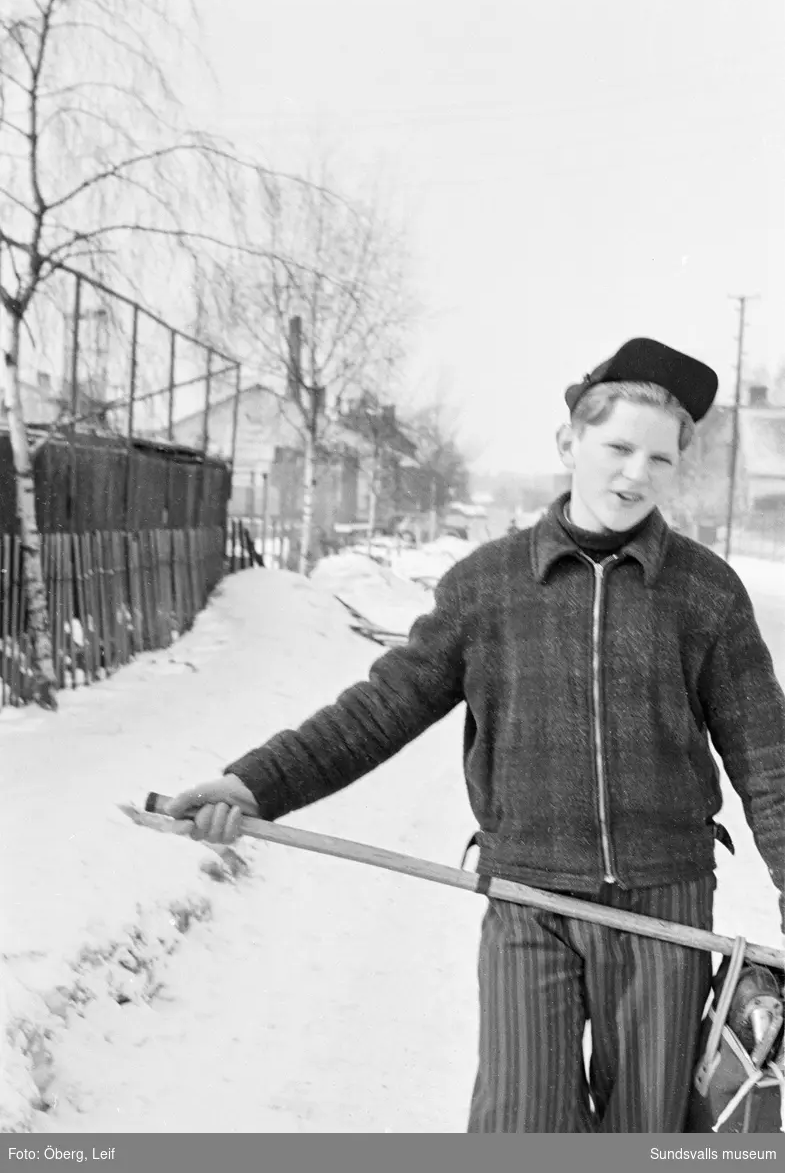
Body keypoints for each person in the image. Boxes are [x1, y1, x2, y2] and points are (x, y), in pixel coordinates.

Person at [167, 337, 785, 1134]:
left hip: (663, 905)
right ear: (569, 442)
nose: (635, 474)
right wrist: (253, 784)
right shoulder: (487, 586)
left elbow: (766, 757)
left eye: (659, 459)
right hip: (528, 898)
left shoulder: (703, 592)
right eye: (617, 447)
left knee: (648, 1131)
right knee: (520, 1123)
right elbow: (379, 708)